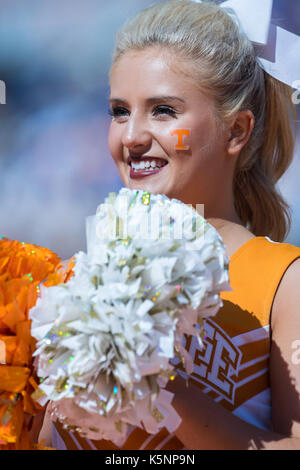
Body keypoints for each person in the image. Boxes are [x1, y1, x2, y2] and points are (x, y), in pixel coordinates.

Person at [40, 0, 300, 449]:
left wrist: (157, 390)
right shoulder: (69, 280)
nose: (132, 136)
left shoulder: (285, 283)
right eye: (119, 111)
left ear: (236, 131)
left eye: (163, 111)